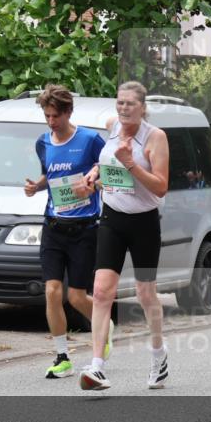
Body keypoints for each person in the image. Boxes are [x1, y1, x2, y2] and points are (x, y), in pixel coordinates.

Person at [78, 81, 170, 390]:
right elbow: (106, 162)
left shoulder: (155, 138)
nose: (123, 108)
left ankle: (158, 354)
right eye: (120, 102)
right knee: (102, 291)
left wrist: (131, 164)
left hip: (144, 221)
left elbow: (160, 186)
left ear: (143, 108)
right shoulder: (111, 126)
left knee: (146, 294)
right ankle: (97, 366)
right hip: (113, 216)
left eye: (130, 104)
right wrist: (94, 174)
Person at [23, 85, 108, 379]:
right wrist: (37, 186)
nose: (50, 122)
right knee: (51, 291)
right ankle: (62, 356)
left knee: (76, 297)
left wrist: (93, 182)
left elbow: (110, 171)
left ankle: (103, 327)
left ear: (68, 112)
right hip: (53, 226)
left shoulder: (89, 139)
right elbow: (51, 175)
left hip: (85, 227)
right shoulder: (43, 143)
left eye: (55, 116)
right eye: (46, 116)